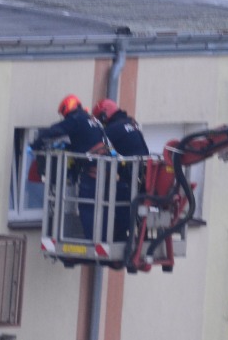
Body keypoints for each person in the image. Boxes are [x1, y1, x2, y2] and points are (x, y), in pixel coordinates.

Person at [32, 95, 108, 240]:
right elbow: (86, 142)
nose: (65, 118)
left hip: (92, 174)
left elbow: (55, 130)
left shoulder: (76, 119)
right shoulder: (93, 121)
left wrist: (36, 143)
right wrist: (69, 147)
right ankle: (100, 237)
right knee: (100, 209)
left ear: (67, 109)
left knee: (86, 209)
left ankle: (91, 239)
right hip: (104, 174)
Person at [93, 98, 150, 243]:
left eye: (101, 119)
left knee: (117, 199)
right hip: (144, 174)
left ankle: (118, 236)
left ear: (105, 115)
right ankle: (143, 233)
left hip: (131, 176)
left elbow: (97, 146)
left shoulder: (113, 129)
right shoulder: (131, 124)